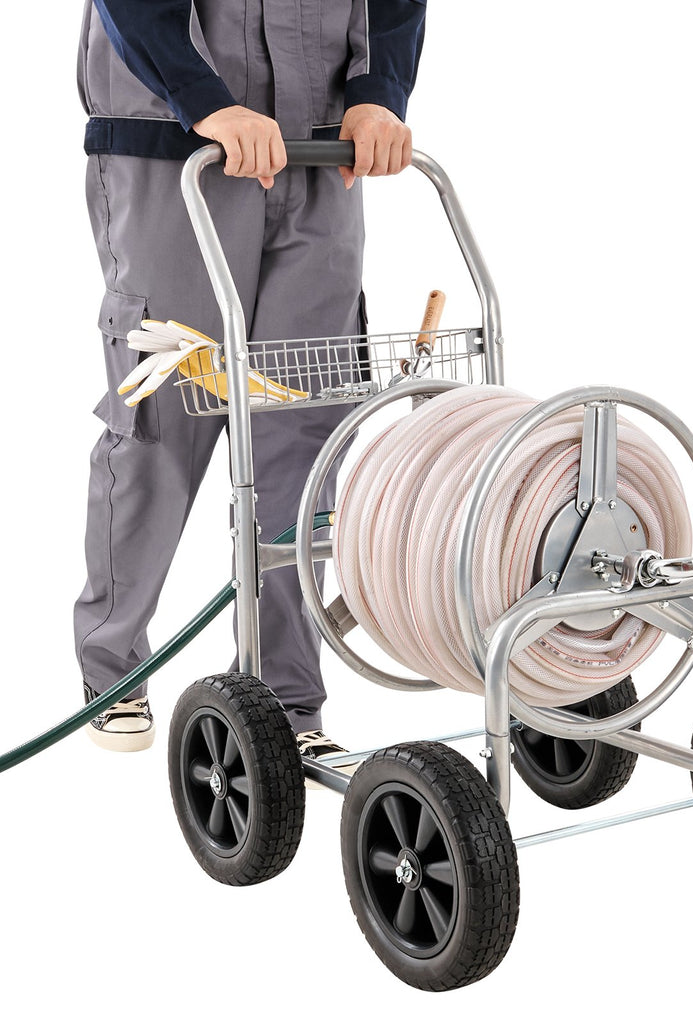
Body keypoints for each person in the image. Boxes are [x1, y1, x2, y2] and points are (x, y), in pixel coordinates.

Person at [74, 0, 427, 763]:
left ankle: (285, 698)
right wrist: (205, 100)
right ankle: (114, 671)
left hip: (323, 153)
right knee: (164, 411)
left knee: (305, 427)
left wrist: (379, 92)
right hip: (178, 151)